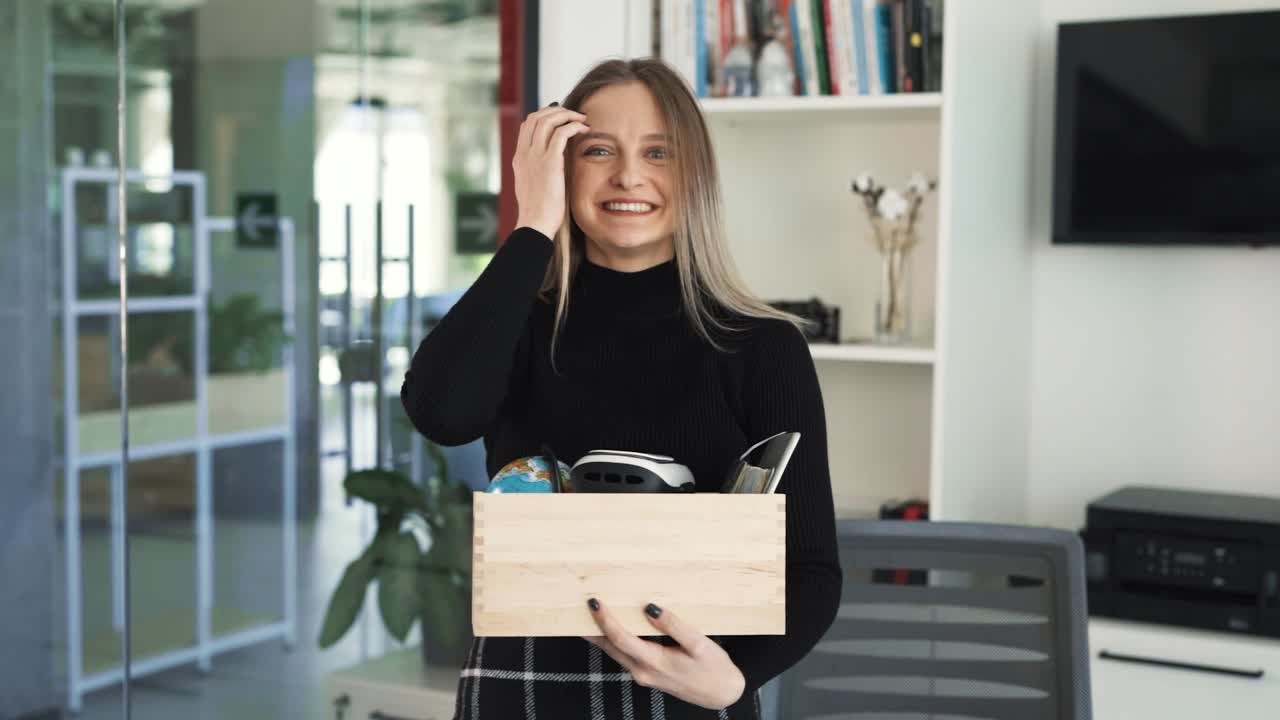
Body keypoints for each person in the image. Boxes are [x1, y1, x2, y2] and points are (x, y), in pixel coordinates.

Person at [401, 57, 841, 720]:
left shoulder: (763, 345)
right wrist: (531, 226)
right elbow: (441, 414)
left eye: (658, 152)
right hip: (518, 685)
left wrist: (735, 678)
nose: (629, 176)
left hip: (690, 692)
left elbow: (811, 567)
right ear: (561, 168)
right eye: (598, 150)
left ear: (693, 173)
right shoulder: (518, 320)